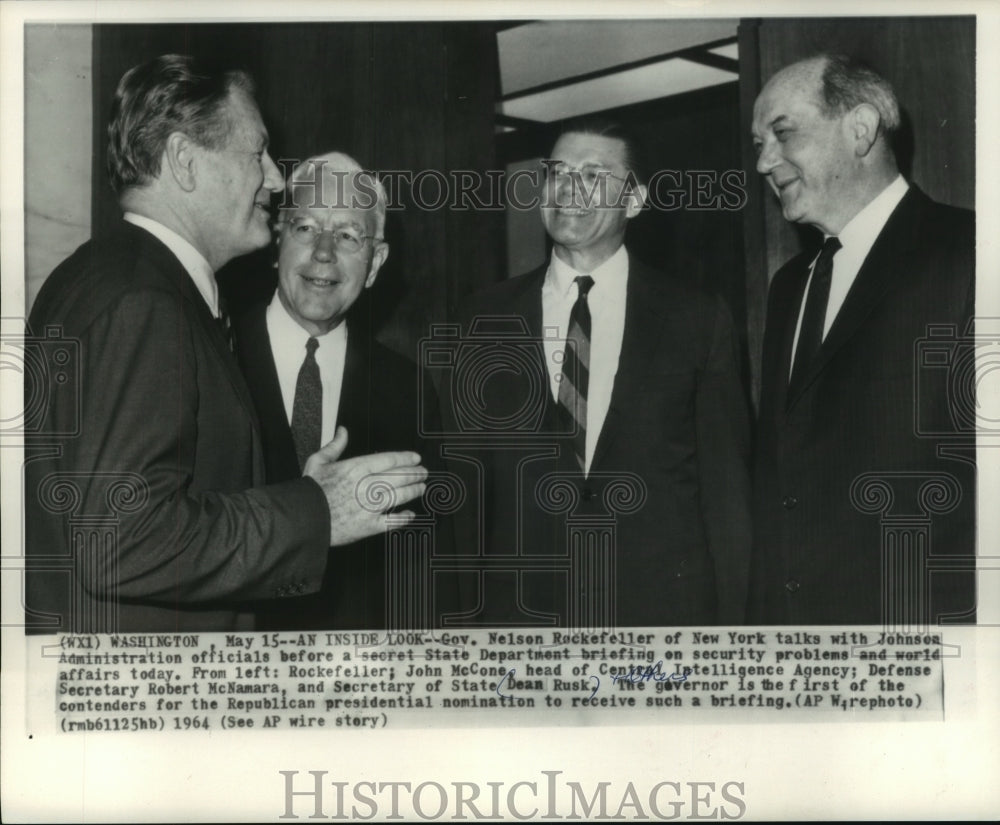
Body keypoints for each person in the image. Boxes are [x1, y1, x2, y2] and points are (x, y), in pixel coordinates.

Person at [24, 55, 427, 633]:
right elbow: (121, 541)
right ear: (186, 161)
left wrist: (297, 493)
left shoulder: (99, 275)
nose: (275, 177)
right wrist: (316, 511)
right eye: (256, 153)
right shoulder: (147, 303)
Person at [449, 119, 752, 627]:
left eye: (593, 175)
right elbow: (462, 494)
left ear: (634, 199)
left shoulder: (696, 318)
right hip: (522, 624)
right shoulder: (482, 319)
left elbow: (728, 499)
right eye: (558, 173)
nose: (568, 190)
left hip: (660, 622)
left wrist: (731, 636)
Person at [749, 54, 976, 625]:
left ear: (861, 128)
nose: (763, 162)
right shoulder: (789, 287)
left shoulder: (972, 253)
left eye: (781, 134)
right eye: (758, 144)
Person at [234, 152, 450, 629]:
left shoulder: (406, 388)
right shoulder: (214, 355)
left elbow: (422, 563)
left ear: (375, 263)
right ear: (277, 242)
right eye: (306, 228)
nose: (325, 252)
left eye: (349, 236)